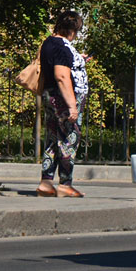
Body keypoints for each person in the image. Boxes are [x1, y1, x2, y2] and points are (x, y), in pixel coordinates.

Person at [36, 10, 89, 198]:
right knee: (69, 139)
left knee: (52, 139)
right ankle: (65, 184)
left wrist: (78, 60)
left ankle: (46, 183)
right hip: (64, 99)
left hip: (52, 96)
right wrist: (72, 106)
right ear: (72, 29)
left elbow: (60, 67)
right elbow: (61, 76)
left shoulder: (50, 43)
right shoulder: (61, 47)